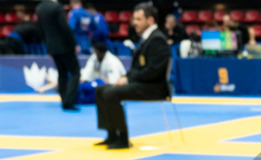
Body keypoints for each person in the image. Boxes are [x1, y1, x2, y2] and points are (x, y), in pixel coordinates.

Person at [93, 3, 170, 149]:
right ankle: (112, 135)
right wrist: (124, 78)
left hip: (154, 87)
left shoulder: (157, 39)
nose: (134, 22)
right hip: (143, 83)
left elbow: (153, 70)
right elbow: (136, 68)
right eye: (134, 19)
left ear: (150, 20)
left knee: (111, 93)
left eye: (138, 19)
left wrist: (128, 79)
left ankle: (123, 139)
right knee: (101, 90)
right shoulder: (146, 38)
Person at [36, 0, 80, 110]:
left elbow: (41, 30)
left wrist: (48, 48)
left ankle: (64, 99)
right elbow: (64, 27)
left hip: (52, 47)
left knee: (62, 73)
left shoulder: (39, 8)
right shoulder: (56, 7)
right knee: (75, 72)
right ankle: (68, 101)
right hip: (64, 46)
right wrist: (73, 44)